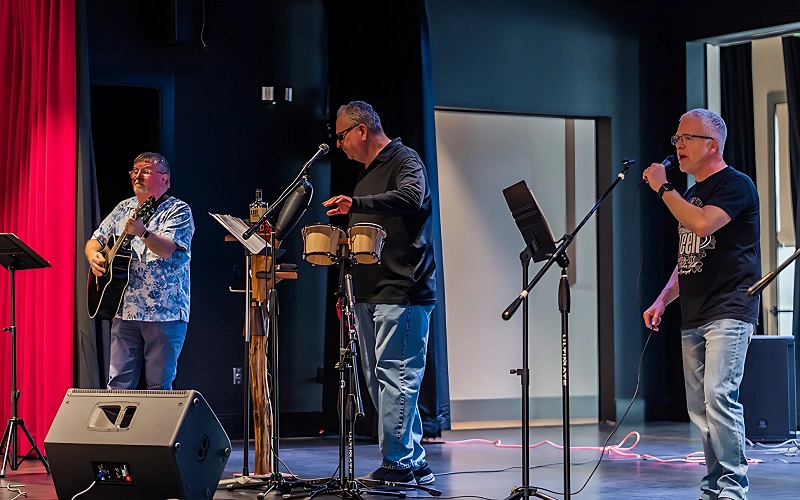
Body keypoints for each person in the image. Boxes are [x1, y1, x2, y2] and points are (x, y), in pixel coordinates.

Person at [642, 109, 760, 500]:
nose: (677, 146)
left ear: (711, 144)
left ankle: (733, 486)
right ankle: (713, 486)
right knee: (699, 408)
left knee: (718, 397)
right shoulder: (690, 195)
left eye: (685, 138)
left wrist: (663, 189)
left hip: (729, 309)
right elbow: (687, 257)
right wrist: (662, 299)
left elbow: (703, 225)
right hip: (693, 312)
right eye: (676, 139)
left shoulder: (735, 185)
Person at [323, 101, 437, 485]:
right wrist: (347, 291)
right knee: (379, 378)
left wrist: (357, 203)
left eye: (341, 135)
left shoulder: (405, 160)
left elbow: (410, 197)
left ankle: (399, 464)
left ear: (360, 130)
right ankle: (414, 458)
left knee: (397, 376)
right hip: (370, 293)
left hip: (403, 290)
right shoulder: (366, 175)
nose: (339, 144)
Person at [85, 152, 195, 390]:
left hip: (163, 312)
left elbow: (166, 249)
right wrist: (93, 255)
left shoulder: (178, 210)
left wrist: (143, 232)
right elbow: (96, 240)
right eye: (135, 171)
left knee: (158, 386)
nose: (138, 175)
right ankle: (117, 428)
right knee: (117, 383)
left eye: (145, 171)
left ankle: (158, 429)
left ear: (164, 179)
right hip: (125, 309)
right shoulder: (124, 208)